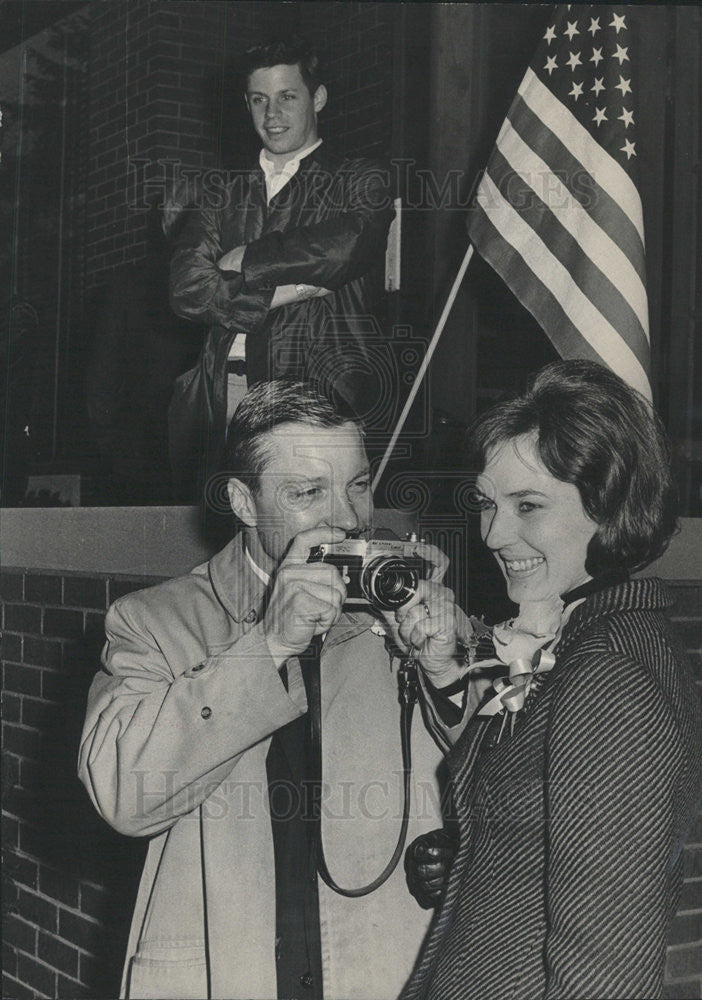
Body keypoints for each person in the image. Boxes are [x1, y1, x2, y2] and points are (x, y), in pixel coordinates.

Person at [78, 379, 468, 1000]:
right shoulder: (154, 623)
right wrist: (268, 646)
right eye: (307, 492)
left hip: (382, 969)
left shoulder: (402, 603)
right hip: (225, 973)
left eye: (358, 485)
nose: (346, 518)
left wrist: (447, 674)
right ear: (243, 500)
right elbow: (123, 796)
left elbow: (510, 776)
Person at [400, 360, 702, 1000]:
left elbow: (603, 977)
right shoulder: (580, 640)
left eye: (528, 505)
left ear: (609, 505)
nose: (492, 533)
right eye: (488, 504)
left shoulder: (611, 679)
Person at [168, 37, 393, 497]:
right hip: (228, 394)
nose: (272, 115)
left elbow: (344, 249)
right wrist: (289, 291)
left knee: (316, 529)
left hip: (319, 391)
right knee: (238, 527)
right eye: (259, 100)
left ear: (319, 98)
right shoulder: (219, 194)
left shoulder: (358, 179)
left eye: (287, 97)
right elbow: (186, 289)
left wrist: (246, 259)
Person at [85, 184, 203, 503]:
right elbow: (102, 386)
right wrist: (121, 458)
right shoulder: (131, 287)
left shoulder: (226, 285)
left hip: (194, 466)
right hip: (148, 467)